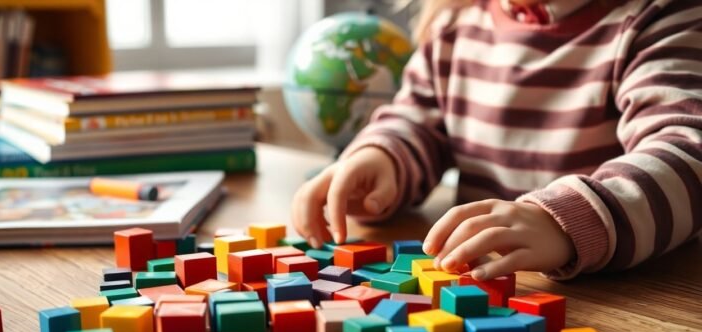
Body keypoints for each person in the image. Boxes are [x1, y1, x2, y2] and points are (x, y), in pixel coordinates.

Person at [291, 0, 702, 281]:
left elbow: (688, 151)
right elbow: (417, 120)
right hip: (477, 286)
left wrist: (564, 222)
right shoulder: (456, 26)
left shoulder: (660, 20)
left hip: (620, 303)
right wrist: (383, 156)